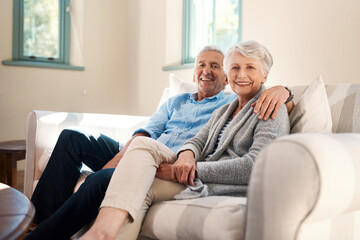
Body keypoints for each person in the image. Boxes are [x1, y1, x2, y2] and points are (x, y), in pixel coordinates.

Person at [26, 45, 293, 240]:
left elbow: (277, 107)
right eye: (202, 64)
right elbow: (149, 131)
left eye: (215, 66)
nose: (207, 71)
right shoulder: (182, 102)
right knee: (73, 138)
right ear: (194, 73)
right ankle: (36, 220)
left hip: (167, 159)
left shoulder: (230, 102)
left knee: (104, 178)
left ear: (224, 79)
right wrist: (121, 159)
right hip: (145, 152)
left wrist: (283, 91)